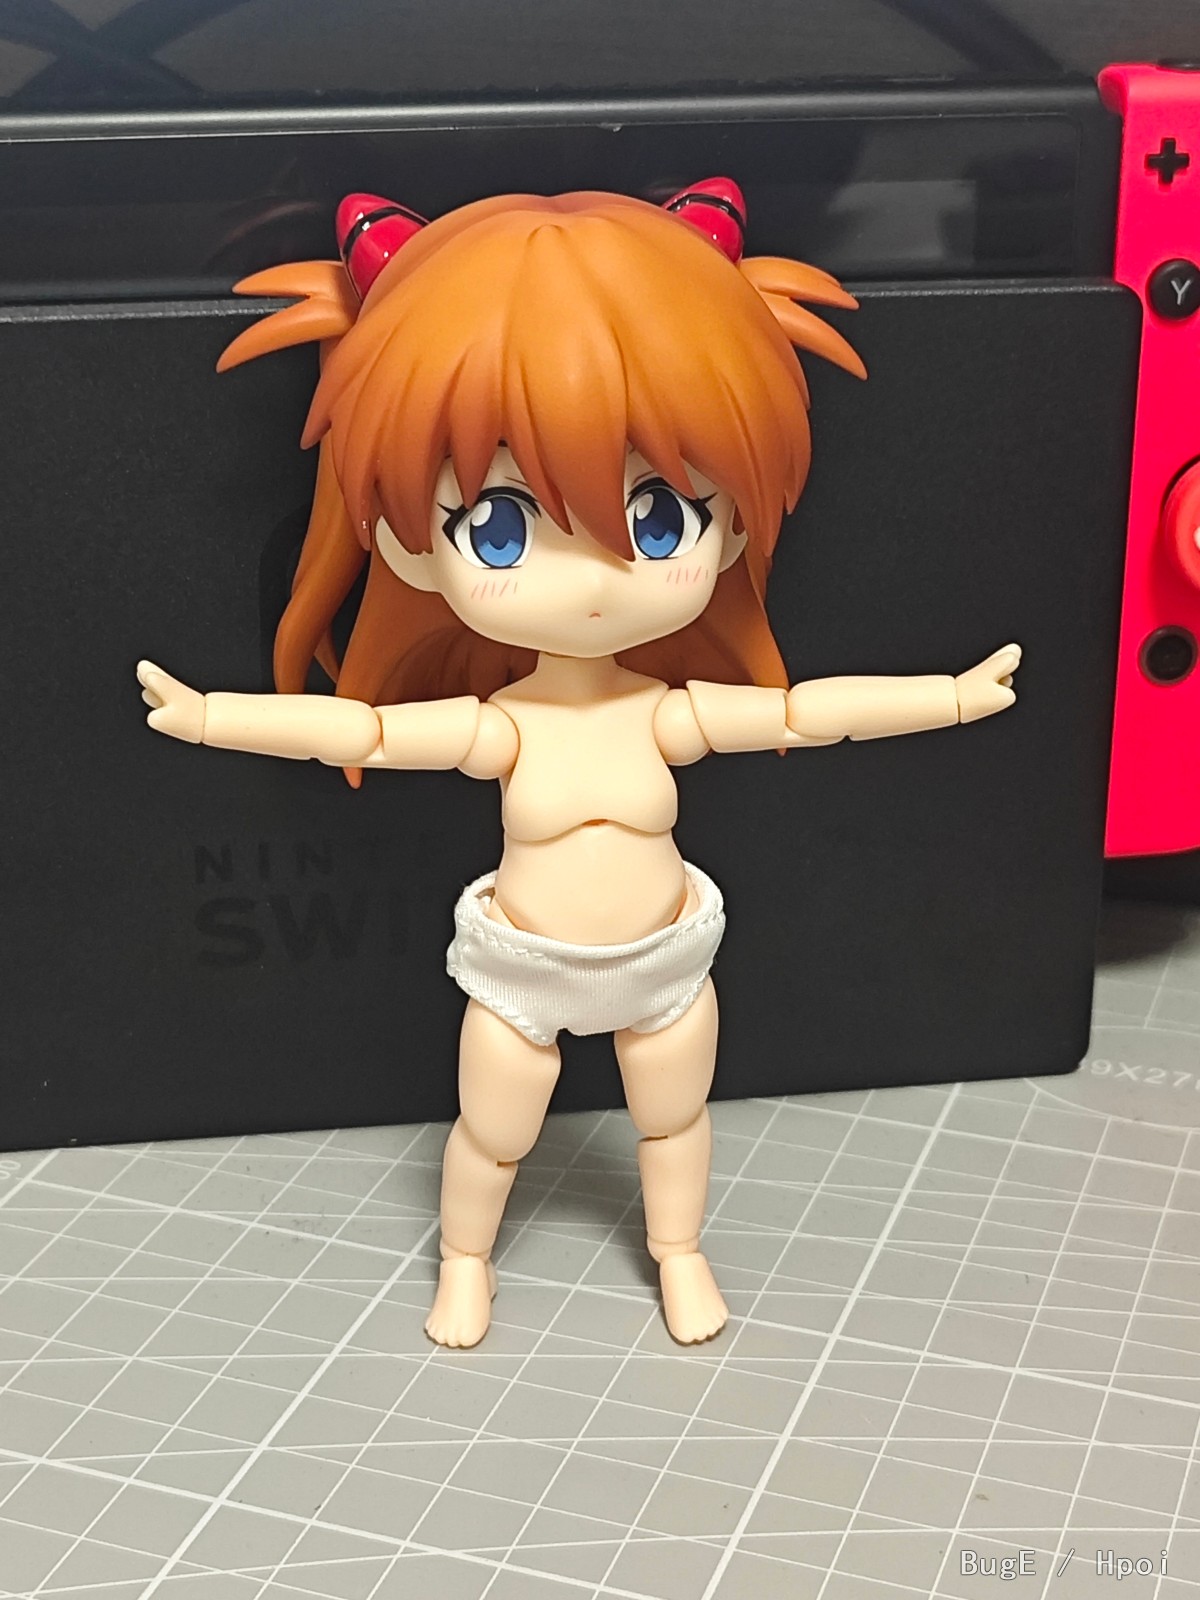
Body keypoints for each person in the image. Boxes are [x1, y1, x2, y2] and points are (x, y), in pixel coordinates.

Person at [138, 180, 1019, 1348]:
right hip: (525, 969)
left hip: (665, 962)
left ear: (734, 524)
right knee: (491, 1133)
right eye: (498, 528)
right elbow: (367, 736)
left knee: (675, 1121)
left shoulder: (666, 713)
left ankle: (679, 1253)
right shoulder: (506, 726)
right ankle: (464, 1262)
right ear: (409, 542)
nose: (596, 577)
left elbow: (807, 715)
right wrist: (212, 717)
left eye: (659, 521)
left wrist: (950, 697)